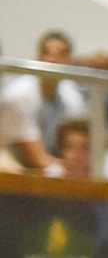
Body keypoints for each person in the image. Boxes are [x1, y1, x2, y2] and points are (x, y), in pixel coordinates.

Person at [0, 31, 88, 171]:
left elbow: (79, 149)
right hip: (15, 169)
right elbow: (36, 159)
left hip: (51, 169)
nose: (52, 60)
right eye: (47, 53)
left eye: (61, 54)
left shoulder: (72, 96)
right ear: (37, 57)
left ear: (70, 61)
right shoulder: (17, 95)